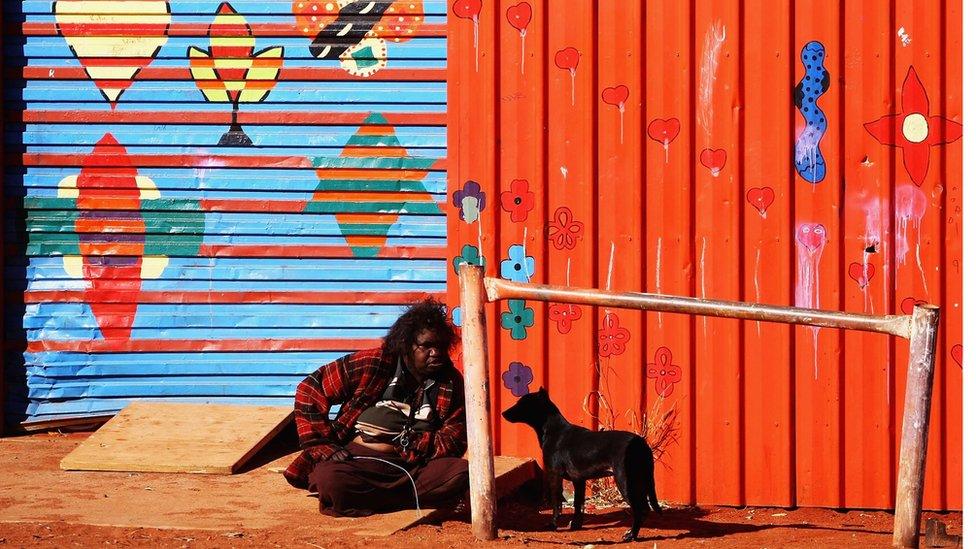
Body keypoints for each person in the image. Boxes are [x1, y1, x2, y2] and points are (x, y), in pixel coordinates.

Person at [283, 297, 469, 517]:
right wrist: (323, 444)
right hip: (359, 460)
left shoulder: (450, 381)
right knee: (330, 480)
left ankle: (379, 499)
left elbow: (454, 438)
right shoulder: (375, 362)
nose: (435, 353)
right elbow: (310, 389)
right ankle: (408, 499)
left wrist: (410, 442)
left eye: (440, 346)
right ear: (407, 345)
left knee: (462, 472)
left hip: (413, 464)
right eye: (426, 346)